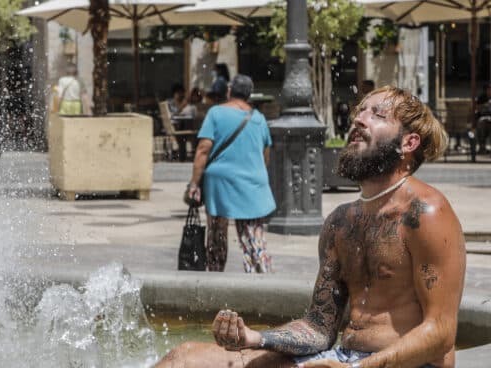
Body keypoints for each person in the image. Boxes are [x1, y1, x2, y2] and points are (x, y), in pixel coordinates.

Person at [158, 86, 465, 368]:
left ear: (409, 142)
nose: (359, 119)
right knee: (185, 358)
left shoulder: (426, 213)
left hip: (406, 365)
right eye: (360, 111)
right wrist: (256, 339)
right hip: (345, 358)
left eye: (377, 114)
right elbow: (319, 327)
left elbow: (440, 333)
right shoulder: (341, 222)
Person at [186, 74, 275, 273]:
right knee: (253, 234)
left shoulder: (216, 113)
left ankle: (215, 275)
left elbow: (203, 149)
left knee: (217, 232)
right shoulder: (259, 119)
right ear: (249, 95)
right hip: (252, 183)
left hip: (221, 184)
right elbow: (265, 154)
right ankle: (261, 277)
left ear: (229, 91)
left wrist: (194, 184)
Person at [476, 83, 491, 154]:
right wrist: (485, 105)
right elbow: (477, 108)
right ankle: (482, 147)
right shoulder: (482, 97)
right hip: (483, 117)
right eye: (488, 89)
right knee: (481, 126)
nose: (489, 91)